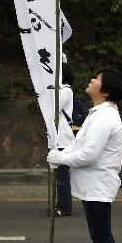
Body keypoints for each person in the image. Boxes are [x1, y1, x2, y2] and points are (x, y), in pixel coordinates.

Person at [46, 68, 122, 243]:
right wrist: (60, 153)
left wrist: (61, 159)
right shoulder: (99, 113)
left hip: (98, 185)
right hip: (94, 185)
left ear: (106, 91)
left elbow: (89, 155)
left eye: (97, 79)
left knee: (102, 237)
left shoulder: (104, 117)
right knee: (100, 236)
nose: (92, 80)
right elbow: (79, 143)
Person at [52, 63, 77, 217]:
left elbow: (54, 108)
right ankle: (60, 205)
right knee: (60, 175)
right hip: (58, 137)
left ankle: (64, 207)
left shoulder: (66, 91)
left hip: (63, 138)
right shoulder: (61, 90)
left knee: (62, 175)